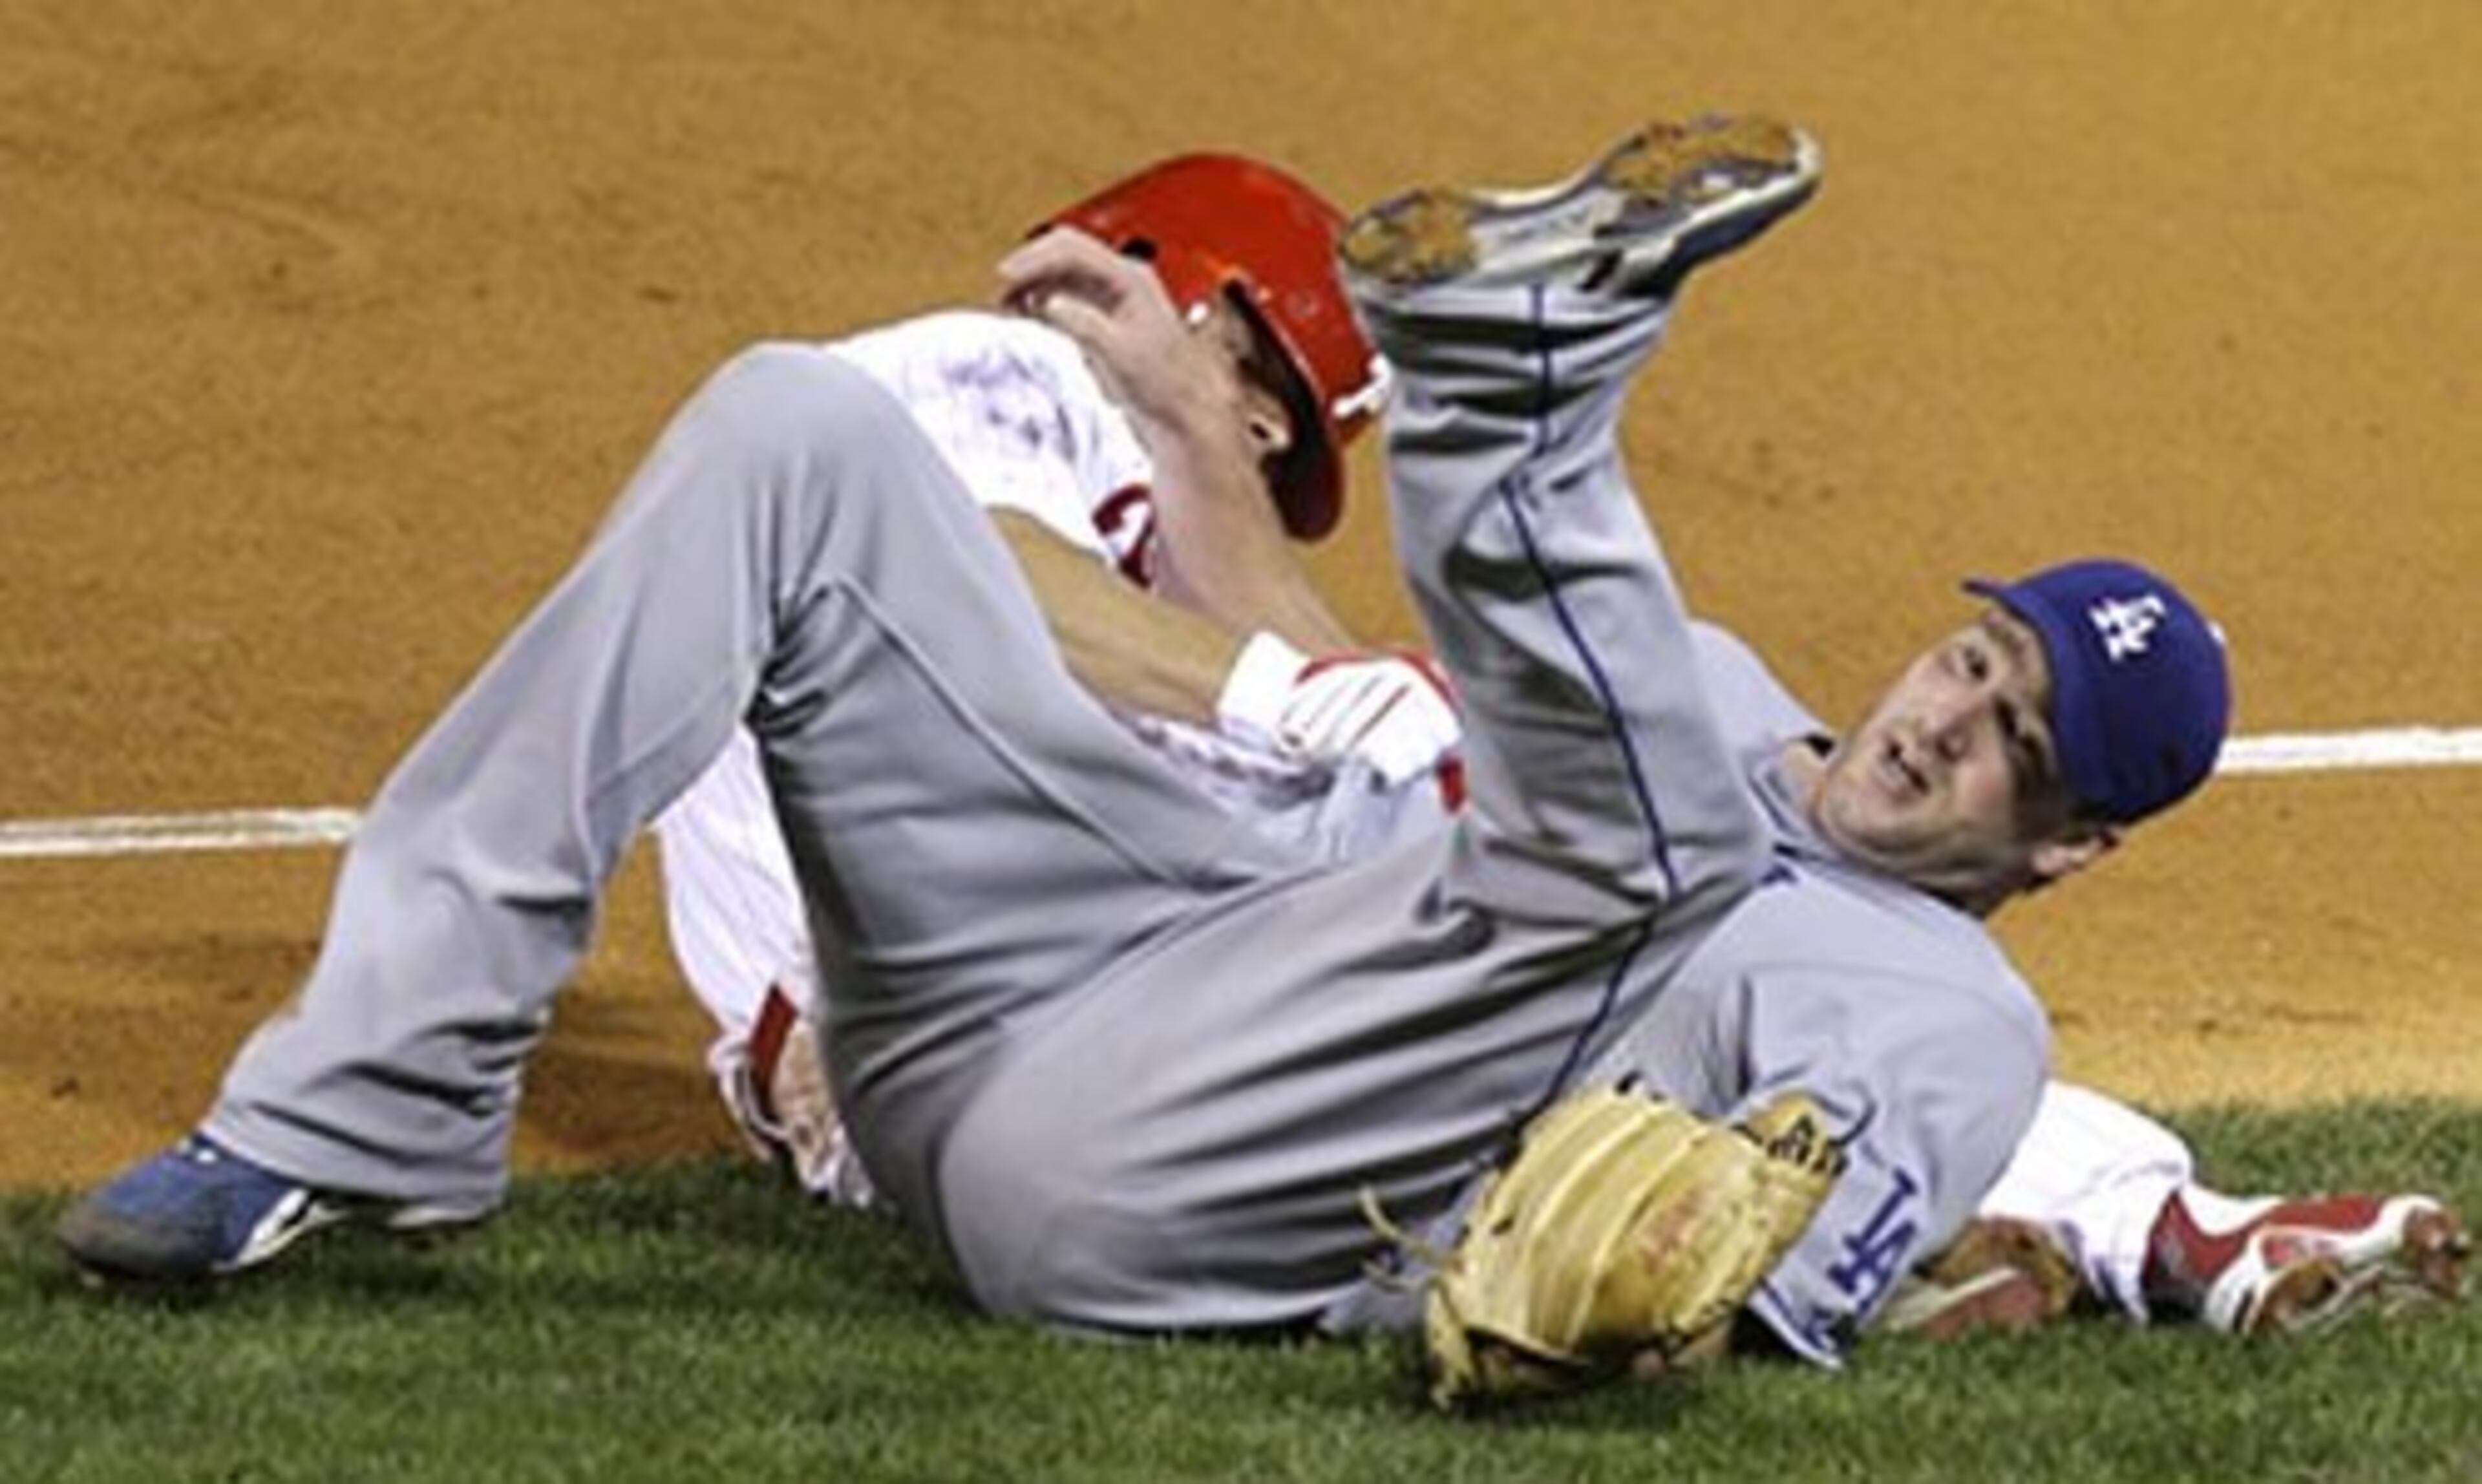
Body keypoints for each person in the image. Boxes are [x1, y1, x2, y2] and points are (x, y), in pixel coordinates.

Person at [54, 114, 2311, 1368]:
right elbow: (1327, 716)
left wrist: (1555, 1317)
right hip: (1026, 990)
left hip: (1159, 1184)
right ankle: (362, 1110)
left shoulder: (1944, 1014)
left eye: (2014, 745)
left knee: (1639, 872)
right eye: (1969, 665)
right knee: (795, 431)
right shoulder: (1694, 703)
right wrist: (1211, 477)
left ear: (2070, 846)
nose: (1943, 729)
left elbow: (1740, 1294)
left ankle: (1529, 400)